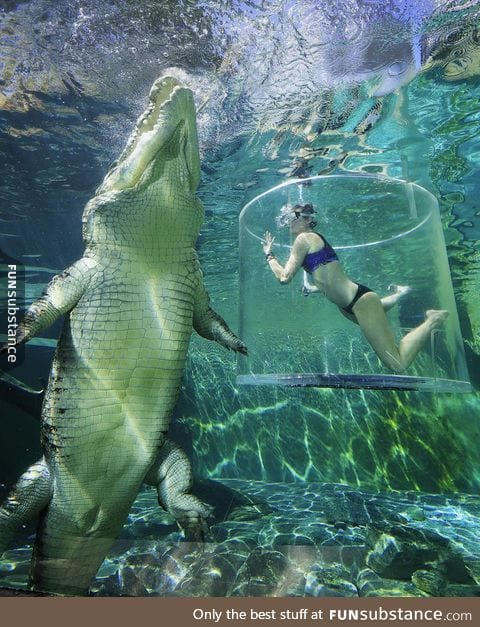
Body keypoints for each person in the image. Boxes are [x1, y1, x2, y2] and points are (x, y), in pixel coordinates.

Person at [262, 203, 448, 373]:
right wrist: (314, 288)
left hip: (359, 301)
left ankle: (433, 319)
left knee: (397, 364)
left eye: (292, 217)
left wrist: (269, 255)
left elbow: (284, 278)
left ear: (308, 218)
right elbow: (328, 278)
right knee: (376, 309)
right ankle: (399, 293)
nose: (288, 223)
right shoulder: (308, 241)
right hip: (351, 306)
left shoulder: (304, 238)